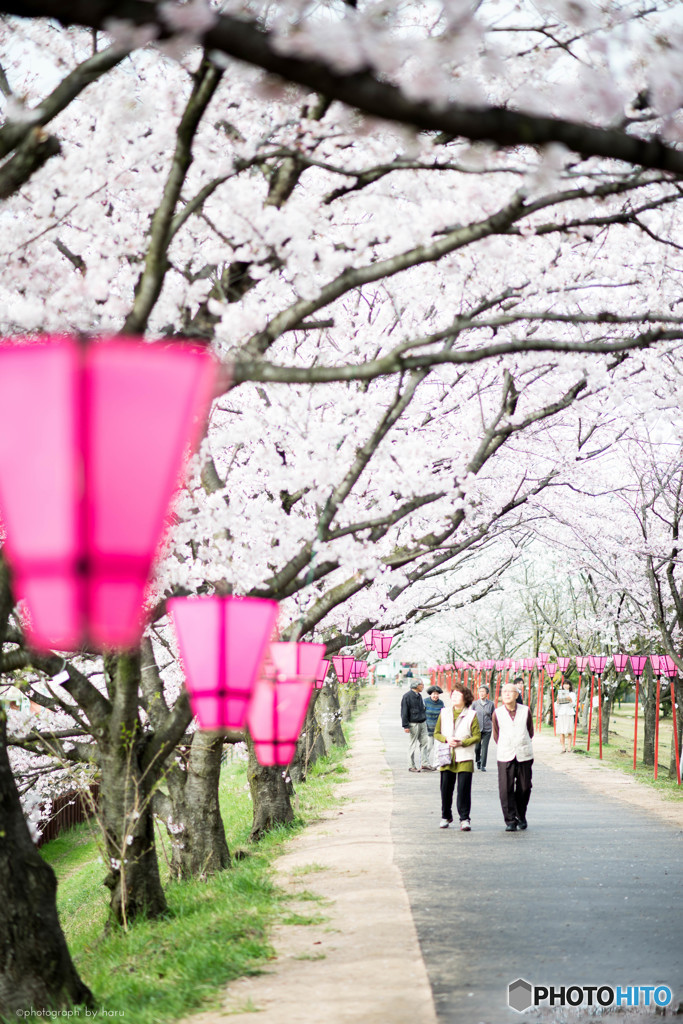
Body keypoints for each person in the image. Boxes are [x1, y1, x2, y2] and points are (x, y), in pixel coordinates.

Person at [433, 683, 481, 830]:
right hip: (447, 755)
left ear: (465, 697)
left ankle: (465, 818)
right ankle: (445, 816)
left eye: (457, 694)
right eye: (452, 694)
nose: (454, 697)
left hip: (464, 756)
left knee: (464, 790)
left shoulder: (471, 714)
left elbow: (477, 736)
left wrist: (462, 742)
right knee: (446, 789)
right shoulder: (444, 712)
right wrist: (447, 739)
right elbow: (436, 733)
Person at [492, 681, 534, 832]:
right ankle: (510, 820)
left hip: (524, 753)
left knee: (525, 787)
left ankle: (520, 815)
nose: (507, 694)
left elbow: (530, 730)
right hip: (505, 753)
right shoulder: (497, 712)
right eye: (504, 692)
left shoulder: (525, 710)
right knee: (505, 789)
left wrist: (521, 741)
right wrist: (507, 744)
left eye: (510, 691)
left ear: (517, 695)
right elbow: (496, 734)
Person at [401, 679, 432, 772]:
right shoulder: (407, 696)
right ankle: (411, 766)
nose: (423, 686)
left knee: (425, 743)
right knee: (412, 744)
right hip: (413, 724)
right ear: (416, 685)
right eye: (421, 685)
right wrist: (405, 726)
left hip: (422, 722)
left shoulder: (419, 695)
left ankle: (425, 764)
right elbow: (404, 712)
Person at [472, 684, 495, 771]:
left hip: (487, 729)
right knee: (477, 747)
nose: (481, 693)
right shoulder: (475, 704)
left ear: (487, 693)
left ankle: (483, 765)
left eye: (483, 692)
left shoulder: (491, 704)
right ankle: (478, 760)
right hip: (477, 729)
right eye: (480, 692)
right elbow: (471, 716)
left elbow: (493, 716)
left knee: (485, 747)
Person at [423, 683, 445, 768]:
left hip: (438, 729)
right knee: (428, 747)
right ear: (430, 694)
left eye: (437, 694)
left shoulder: (441, 703)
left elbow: (443, 714)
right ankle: (425, 763)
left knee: (437, 748)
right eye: (434, 694)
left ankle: (436, 764)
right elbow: (422, 714)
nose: (435, 696)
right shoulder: (425, 702)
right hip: (428, 729)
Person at [555, 678, 576, 753]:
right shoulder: (560, 693)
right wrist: (557, 700)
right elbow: (557, 706)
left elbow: (573, 705)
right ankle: (563, 747)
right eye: (565, 684)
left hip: (569, 713)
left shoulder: (572, 694)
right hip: (562, 713)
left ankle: (569, 747)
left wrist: (570, 700)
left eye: (567, 684)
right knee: (562, 731)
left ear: (570, 686)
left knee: (569, 731)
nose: (566, 686)